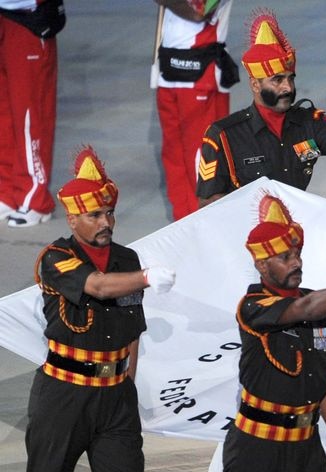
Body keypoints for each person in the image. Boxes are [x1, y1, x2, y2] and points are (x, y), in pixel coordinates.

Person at [26, 146, 176, 471]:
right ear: (72, 219)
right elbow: (98, 286)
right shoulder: (56, 258)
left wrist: (127, 388)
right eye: (94, 215)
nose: (105, 222)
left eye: (109, 213)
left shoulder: (126, 259)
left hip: (116, 395)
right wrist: (147, 277)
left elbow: (133, 331)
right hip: (64, 395)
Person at [222, 192, 326, 472]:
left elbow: (324, 375)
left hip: (306, 446)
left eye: (297, 254)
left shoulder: (316, 307)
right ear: (261, 265)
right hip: (257, 450)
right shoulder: (253, 306)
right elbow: (303, 309)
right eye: (285, 257)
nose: (296, 262)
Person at [196, 9, 326, 208]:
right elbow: (208, 201)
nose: (287, 87)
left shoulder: (309, 122)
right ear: (255, 85)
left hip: (296, 232)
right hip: (248, 235)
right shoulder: (223, 136)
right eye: (277, 80)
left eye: (290, 78)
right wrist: (258, 213)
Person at [154, 0, 238, 220]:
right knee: (172, 155)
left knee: (202, 159)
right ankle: (182, 224)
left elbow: (198, 12)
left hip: (201, 72)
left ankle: (208, 225)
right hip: (168, 69)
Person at [0, 0, 65, 227]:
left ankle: (36, 199)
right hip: (5, 18)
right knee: (4, 114)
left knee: (31, 115)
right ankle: (6, 191)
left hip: (30, 19)